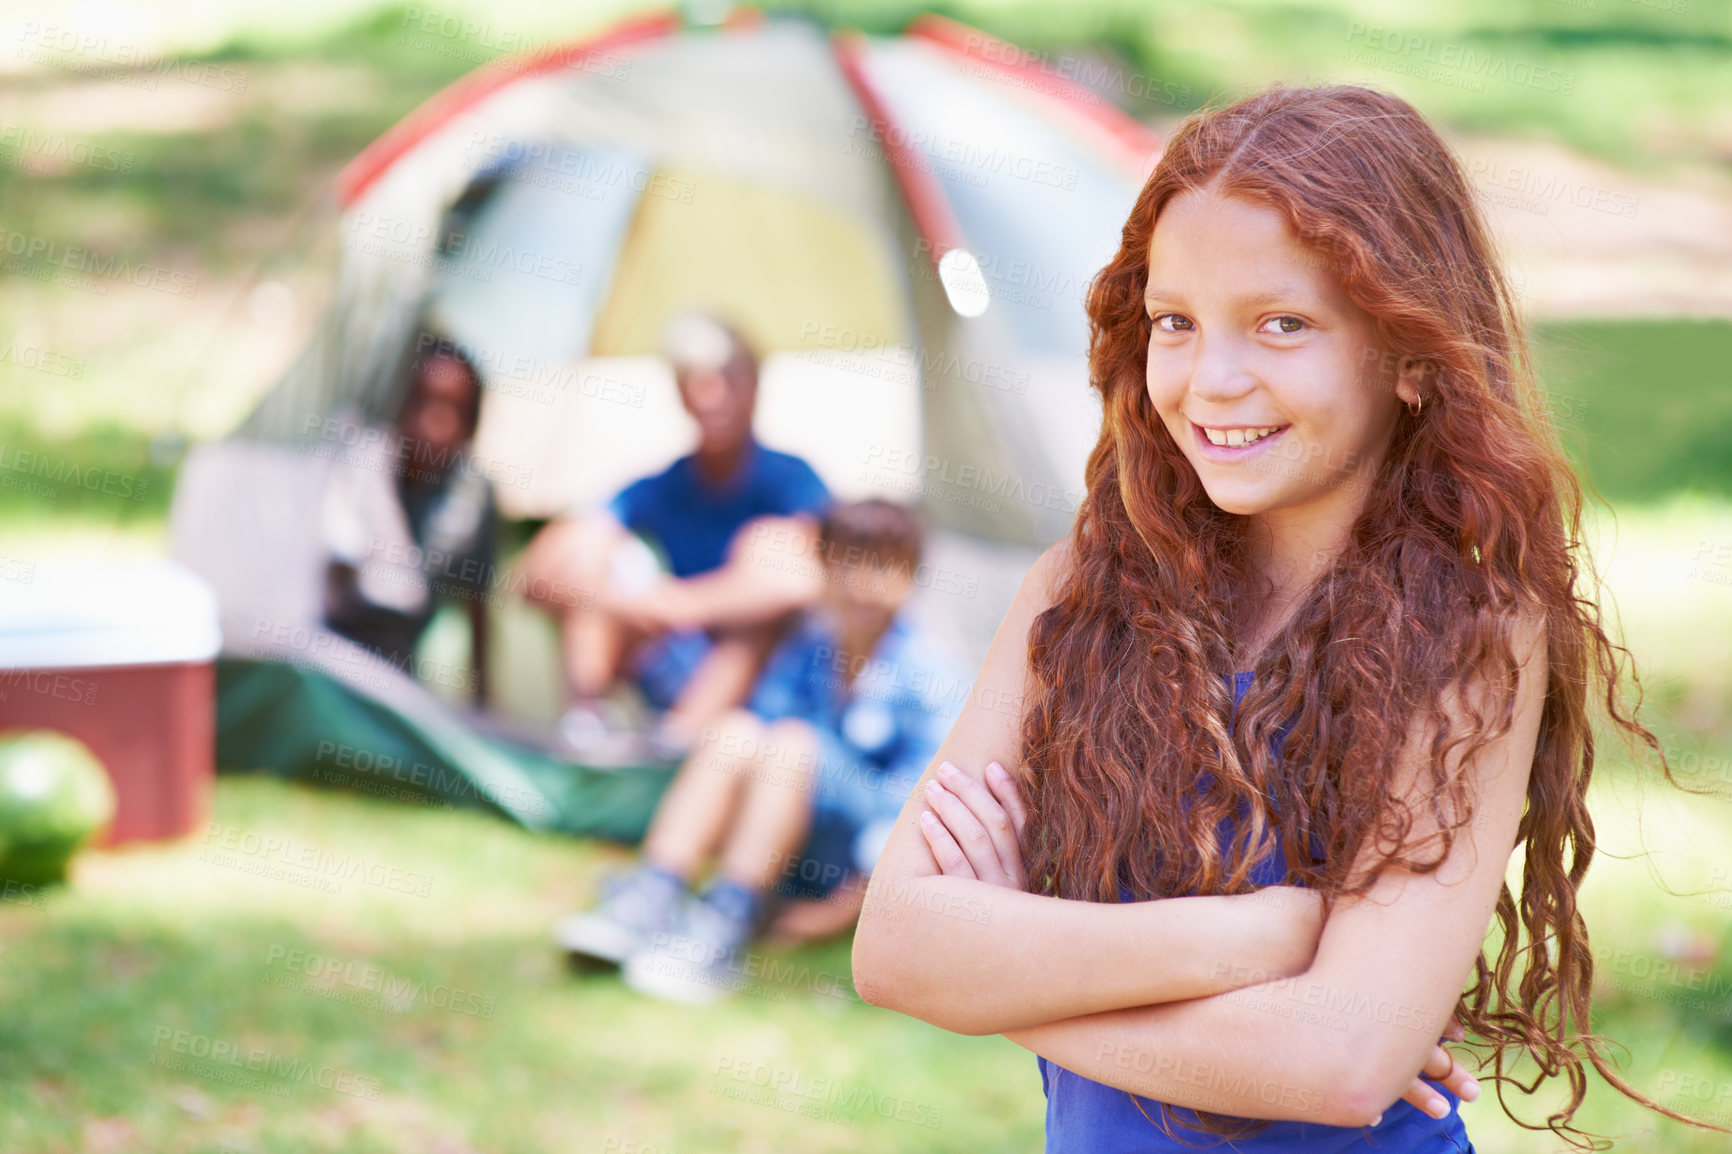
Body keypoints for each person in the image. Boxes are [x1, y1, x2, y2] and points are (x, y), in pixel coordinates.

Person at [850, 84, 1732, 1152]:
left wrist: (1004, 971)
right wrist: (1259, 936)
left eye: (1282, 324)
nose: (1213, 380)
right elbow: (894, 945)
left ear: (1410, 355)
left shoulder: (1469, 637)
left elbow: (1337, 1061)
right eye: (1175, 322)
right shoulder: (1080, 594)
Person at [554, 499, 966, 1004]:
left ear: (911, 575)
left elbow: (919, 808)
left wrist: (842, 910)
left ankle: (726, 921)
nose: (864, 582)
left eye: (884, 564)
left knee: (792, 743)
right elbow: (759, 732)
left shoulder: (928, 672)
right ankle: (653, 892)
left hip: (849, 858)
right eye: (847, 562)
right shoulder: (812, 642)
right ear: (824, 568)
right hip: (781, 836)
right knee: (733, 730)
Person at [518, 313, 832, 763]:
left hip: (769, 678)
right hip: (677, 654)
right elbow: (539, 574)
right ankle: (586, 730)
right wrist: (629, 597)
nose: (711, 398)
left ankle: (676, 749)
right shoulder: (661, 485)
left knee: (766, 569)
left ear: (754, 387)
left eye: (727, 380)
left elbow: (803, 583)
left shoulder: (792, 482)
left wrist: (683, 603)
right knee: (590, 553)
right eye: (695, 383)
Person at [321, 336, 495, 705]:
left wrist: (482, 698)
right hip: (330, 652)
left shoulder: (473, 497)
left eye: (454, 410)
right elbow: (335, 572)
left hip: (398, 666)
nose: (434, 423)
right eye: (423, 402)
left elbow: (477, 601)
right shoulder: (361, 465)